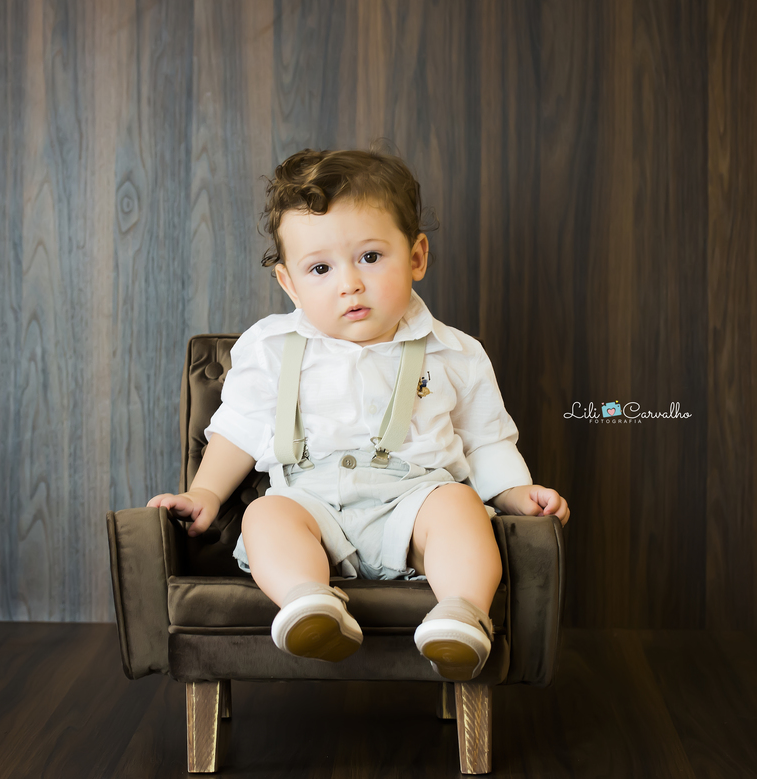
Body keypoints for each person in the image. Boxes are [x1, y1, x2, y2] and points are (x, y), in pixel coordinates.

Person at [148, 146, 569, 681]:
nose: (349, 283)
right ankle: (308, 604)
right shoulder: (271, 346)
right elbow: (238, 429)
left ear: (416, 256)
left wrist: (517, 494)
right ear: (290, 284)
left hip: (413, 503)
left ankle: (462, 614)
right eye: (320, 268)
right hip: (310, 503)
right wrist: (204, 494)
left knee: (458, 508)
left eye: (370, 257)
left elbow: (485, 442)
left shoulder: (455, 353)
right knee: (264, 516)